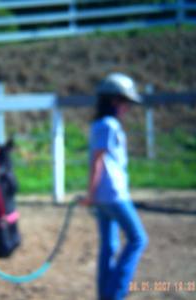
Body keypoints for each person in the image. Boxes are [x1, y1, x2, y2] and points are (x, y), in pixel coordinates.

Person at [82, 73, 148, 300]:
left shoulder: (101, 124)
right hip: (113, 194)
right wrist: (90, 194)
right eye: (125, 103)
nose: (127, 108)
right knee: (138, 239)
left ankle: (106, 294)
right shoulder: (109, 125)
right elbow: (97, 160)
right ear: (114, 101)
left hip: (104, 195)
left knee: (109, 246)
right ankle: (116, 293)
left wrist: (92, 195)